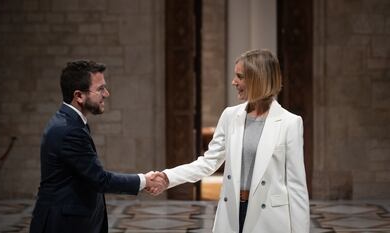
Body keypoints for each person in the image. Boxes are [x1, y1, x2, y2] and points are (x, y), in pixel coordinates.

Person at [148, 49, 310, 233]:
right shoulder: (230, 116)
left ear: (257, 79)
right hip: (232, 213)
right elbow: (208, 163)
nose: (234, 82)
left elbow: (297, 187)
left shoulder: (290, 123)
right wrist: (168, 177)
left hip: (269, 219)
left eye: (239, 76)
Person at [29, 60, 164, 233]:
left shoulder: (71, 122)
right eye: (100, 89)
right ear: (79, 95)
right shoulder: (69, 130)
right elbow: (100, 179)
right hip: (64, 224)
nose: (106, 94)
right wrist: (144, 180)